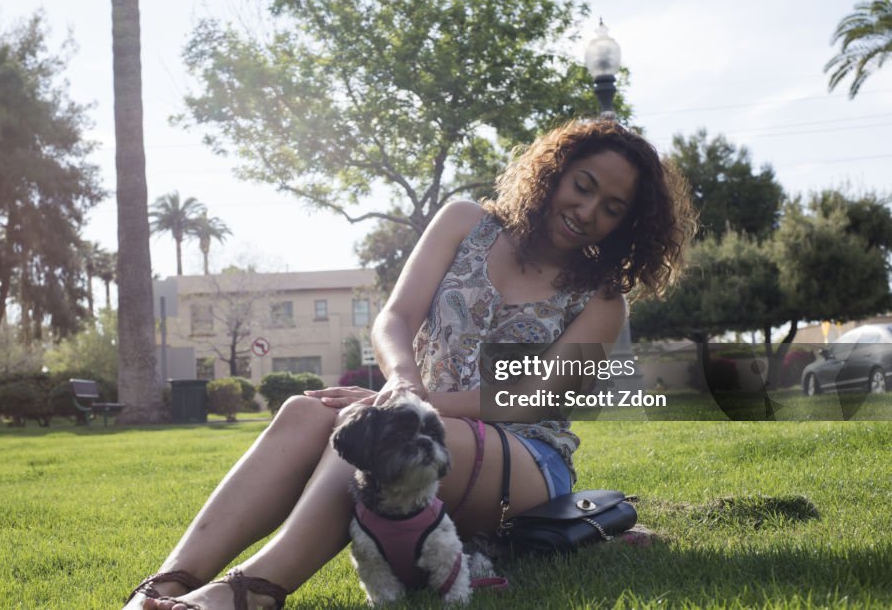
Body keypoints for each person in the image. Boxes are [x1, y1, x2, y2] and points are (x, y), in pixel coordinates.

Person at [126, 119, 695, 610]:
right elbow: (394, 318)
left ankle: (250, 592)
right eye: (584, 186)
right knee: (305, 411)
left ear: (626, 226)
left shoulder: (601, 299)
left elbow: (528, 399)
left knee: (382, 432)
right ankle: (168, 583)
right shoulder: (465, 222)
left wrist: (407, 406)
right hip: (421, 408)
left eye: (611, 209)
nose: (587, 211)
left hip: (526, 458)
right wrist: (401, 383)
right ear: (556, 171)